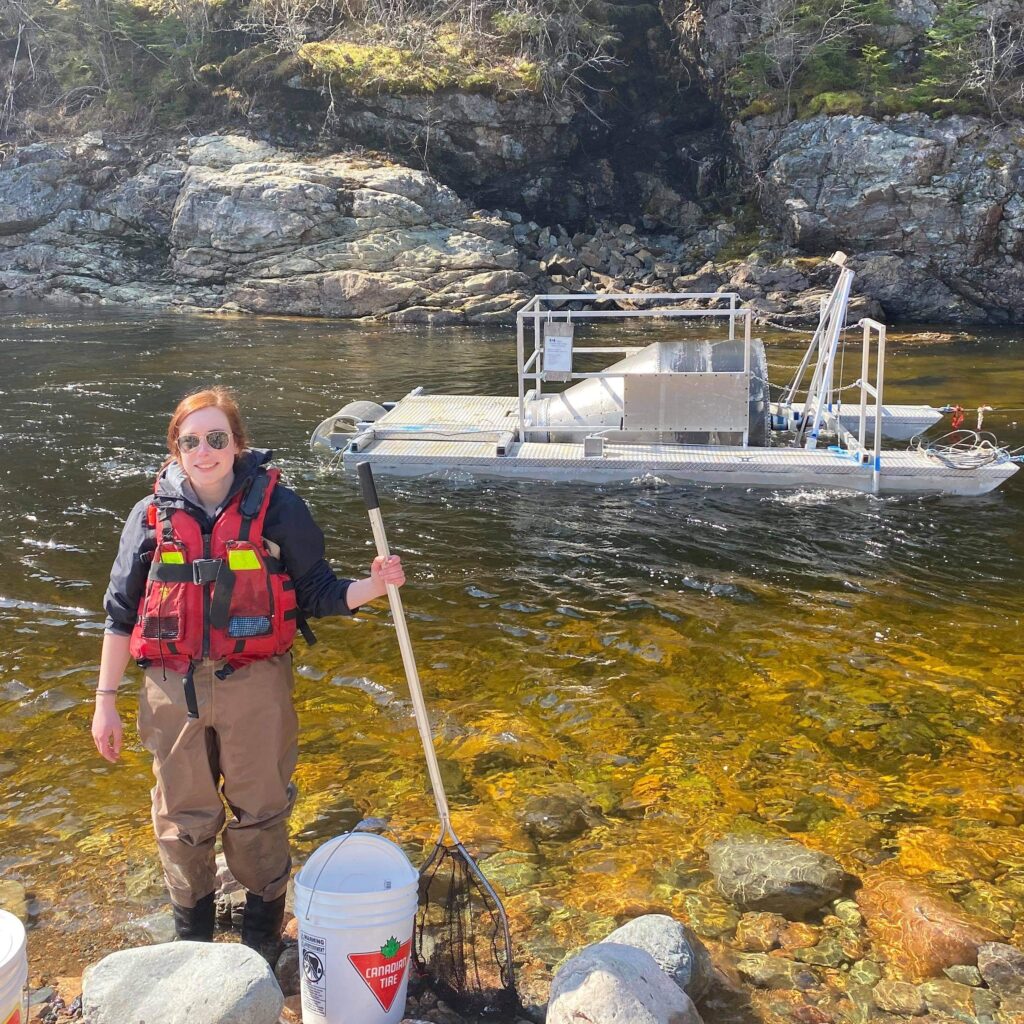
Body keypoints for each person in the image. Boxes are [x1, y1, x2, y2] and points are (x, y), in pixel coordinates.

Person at [90, 386, 405, 953]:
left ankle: (261, 939)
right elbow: (119, 615)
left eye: (217, 438)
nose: (204, 451)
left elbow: (319, 593)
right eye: (191, 441)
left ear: (237, 443)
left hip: (256, 684)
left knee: (261, 810)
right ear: (175, 449)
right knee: (182, 814)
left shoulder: (280, 507)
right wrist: (104, 701)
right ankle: (193, 938)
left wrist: (376, 586)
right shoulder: (148, 516)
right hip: (170, 688)